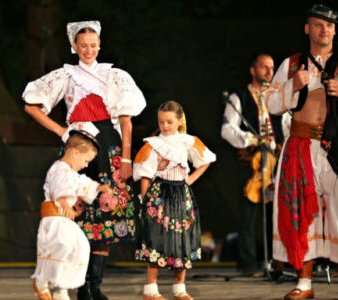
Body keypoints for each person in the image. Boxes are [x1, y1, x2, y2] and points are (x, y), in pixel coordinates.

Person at [23, 21, 146, 300]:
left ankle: (93, 286)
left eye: (93, 45)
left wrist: (126, 158)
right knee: (76, 215)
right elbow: (31, 105)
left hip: (109, 147)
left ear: (99, 44)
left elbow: (126, 122)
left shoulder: (114, 75)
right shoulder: (65, 76)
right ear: (74, 46)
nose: (89, 50)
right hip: (79, 147)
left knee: (107, 214)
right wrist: (61, 131)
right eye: (83, 45)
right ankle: (76, 284)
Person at [265, 5, 338, 300]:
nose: (324, 30)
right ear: (308, 29)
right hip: (301, 145)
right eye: (318, 24)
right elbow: (271, 104)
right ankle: (304, 283)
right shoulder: (292, 64)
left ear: (335, 30)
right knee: (303, 210)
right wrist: (292, 85)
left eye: (329, 25)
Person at [134, 101, 216, 300]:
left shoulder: (188, 141)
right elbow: (145, 175)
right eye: (161, 121)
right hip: (159, 194)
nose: (165, 126)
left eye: (169, 121)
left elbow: (205, 161)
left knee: (182, 237)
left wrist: (188, 181)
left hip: (181, 194)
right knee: (156, 237)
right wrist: (146, 202)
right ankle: (151, 290)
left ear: (180, 121)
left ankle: (179, 288)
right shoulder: (153, 144)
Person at [32, 125, 113, 300]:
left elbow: (81, 183)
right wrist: (64, 204)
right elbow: (58, 188)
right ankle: (42, 281)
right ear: (75, 152)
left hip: (65, 220)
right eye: (85, 161)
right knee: (62, 248)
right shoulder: (59, 169)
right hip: (55, 219)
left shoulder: (70, 172)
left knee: (80, 247)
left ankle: (62, 289)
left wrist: (98, 187)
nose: (85, 165)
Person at [221, 53, 284, 275]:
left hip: (275, 162)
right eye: (264, 67)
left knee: (276, 214)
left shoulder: (277, 97)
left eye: (272, 67)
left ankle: (277, 261)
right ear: (253, 70)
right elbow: (227, 130)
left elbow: (285, 125)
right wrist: (253, 139)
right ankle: (247, 264)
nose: (269, 71)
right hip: (250, 163)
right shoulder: (240, 97)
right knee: (247, 216)